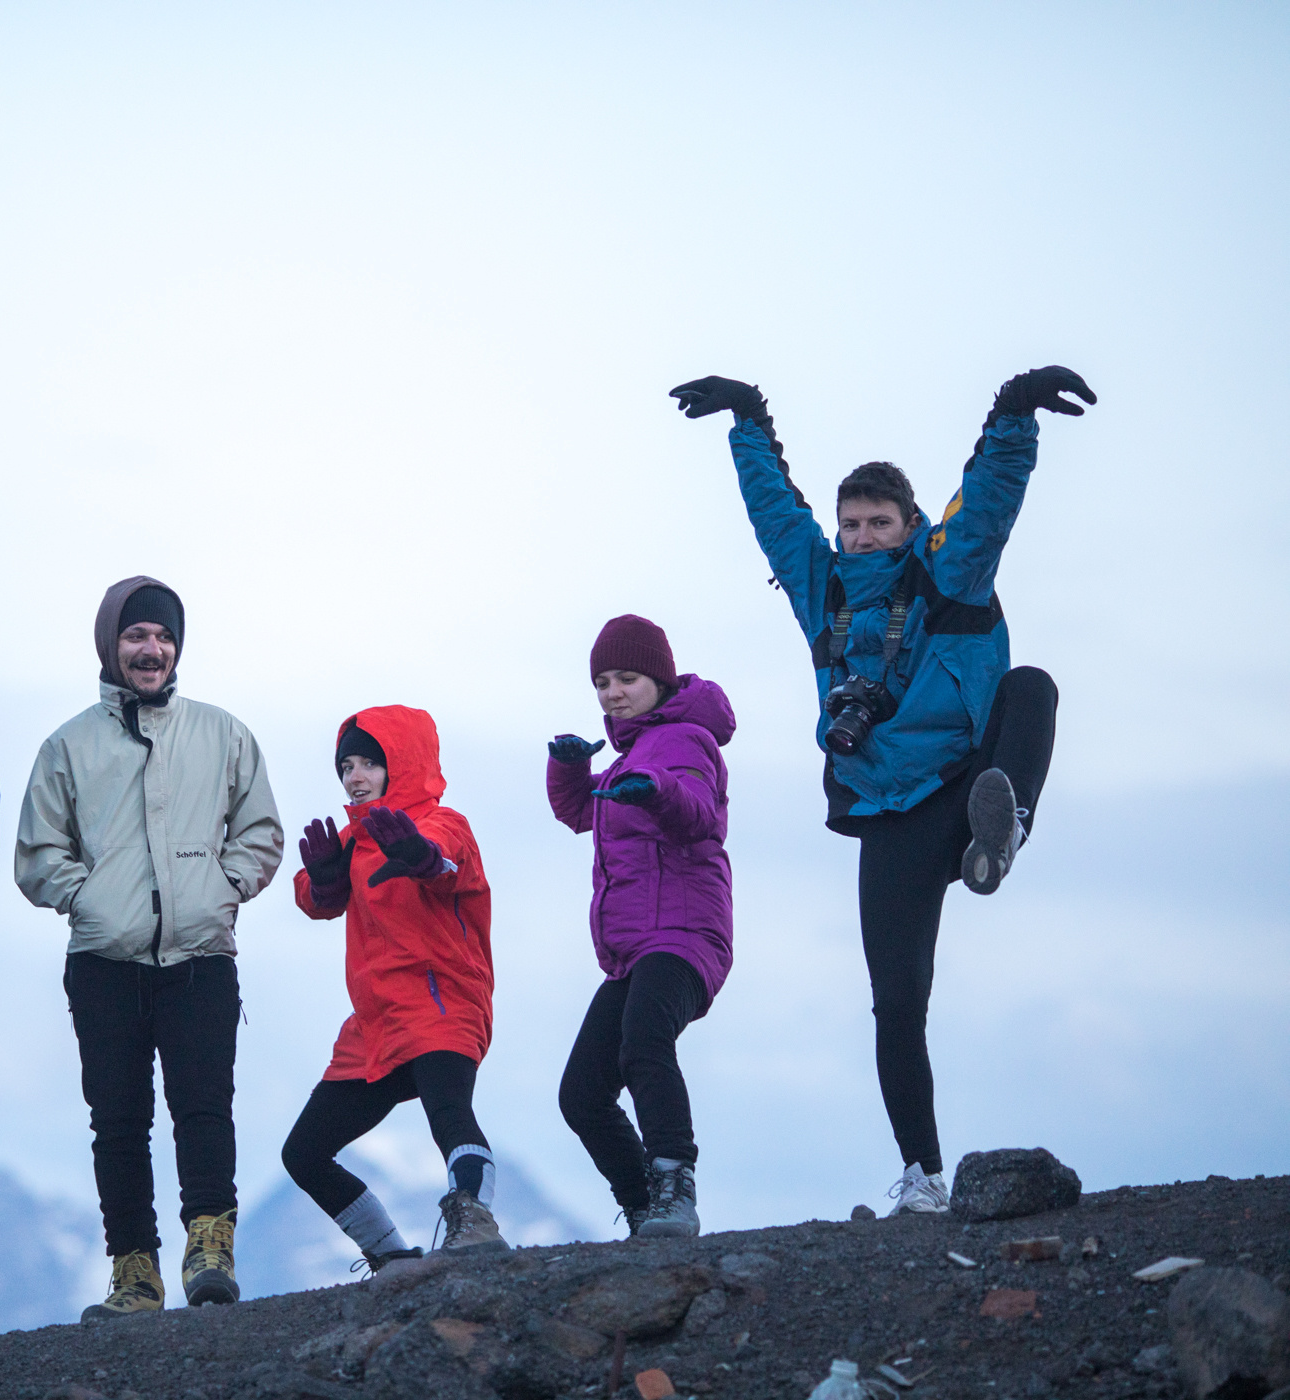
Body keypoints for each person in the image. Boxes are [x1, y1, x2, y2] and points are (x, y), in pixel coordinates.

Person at [669, 366, 1095, 1213]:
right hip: (886, 811)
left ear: (910, 526)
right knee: (897, 1002)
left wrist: (1012, 410)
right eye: (850, 524)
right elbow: (774, 512)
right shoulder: (819, 587)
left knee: (1032, 687)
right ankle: (922, 1176)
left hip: (965, 781)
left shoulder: (947, 576)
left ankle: (1003, 825)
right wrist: (749, 418)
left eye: (878, 523)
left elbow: (989, 502)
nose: (862, 536)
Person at [15, 576, 283, 1320]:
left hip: (202, 955)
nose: (152, 649)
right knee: (119, 1122)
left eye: (163, 637)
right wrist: (92, 898)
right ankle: (136, 1276)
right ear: (111, 645)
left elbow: (261, 832)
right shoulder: (67, 744)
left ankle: (211, 1254)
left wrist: (221, 888)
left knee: (205, 1109)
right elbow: (38, 853)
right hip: (104, 961)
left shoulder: (223, 733)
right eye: (137, 636)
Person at [283, 705, 506, 1276]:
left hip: (441, 1003)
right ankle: (388, 1256)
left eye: (370, 763)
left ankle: (474, 1223)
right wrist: (326, 877)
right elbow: (315, 899)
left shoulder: (442, 822)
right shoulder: (356, 841)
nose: (355, 777)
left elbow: (447, 862)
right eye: (347, 766)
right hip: (376, 1023)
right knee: (304, 1153)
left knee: (450, 1116)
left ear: (401, 765)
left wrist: (420, 857)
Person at [547, 616, 736, 1239]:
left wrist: (654, 789)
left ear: (658, 679)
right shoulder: (635, 754)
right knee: (581, 1093)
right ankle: (642, 1210)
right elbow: (582, 811)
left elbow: (697, 813)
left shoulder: (683, 741)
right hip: (634, 949)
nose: (612, 693)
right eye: (602, 682)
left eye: (626, 678)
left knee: (644, 1042)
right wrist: (572, 768)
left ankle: (675, 1188)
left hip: (686, 935)